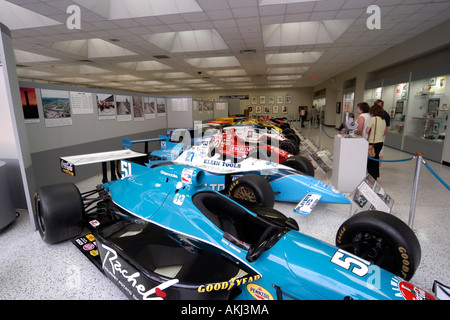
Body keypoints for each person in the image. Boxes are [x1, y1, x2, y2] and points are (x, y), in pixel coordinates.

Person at [366, 105, 386, 180]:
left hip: (373, 142)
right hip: (380, 142)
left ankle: (371, 176)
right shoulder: (383, 119)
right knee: (376, 159)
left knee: (371, 161)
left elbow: (367, 130)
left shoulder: (373, 119)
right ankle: (375, 176)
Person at [373, 99, 390, 164]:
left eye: (379, 106)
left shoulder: (385, 115)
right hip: (373, 135)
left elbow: (386, 127)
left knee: (380, 151)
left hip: (380, 136)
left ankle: (379, 166)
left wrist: (382, 135)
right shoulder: (373, 113)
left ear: (382, 106)